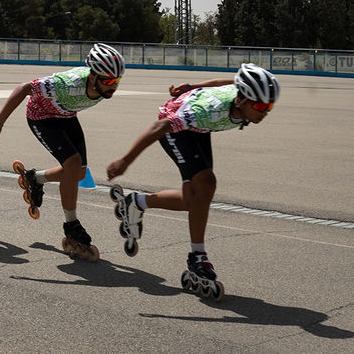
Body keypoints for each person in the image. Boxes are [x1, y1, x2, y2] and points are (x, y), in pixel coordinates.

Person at [105, 63, 281, 301]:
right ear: (241, 100)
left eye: (269, 106)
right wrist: (125, 160)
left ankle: (135, 203)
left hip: (198, 129)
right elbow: (160, 127)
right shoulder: (209, 110)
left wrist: (192, 86)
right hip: (173, 125)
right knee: (206, 184)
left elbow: (224, 83)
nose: (265, 112)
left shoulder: (237, 94)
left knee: (192, 200)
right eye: (260, 106)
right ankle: (198, 257)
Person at [0, 43, 125, 260]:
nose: (112, 87)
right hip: (42, 116)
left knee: (77, 173)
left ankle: (35, 178)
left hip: (66, 115)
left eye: (116, 81)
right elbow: (24, 88)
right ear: (93, 75)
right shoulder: (67, 84)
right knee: (73, 163)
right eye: (107, 81)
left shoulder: (100, 84)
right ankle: (71, 226)